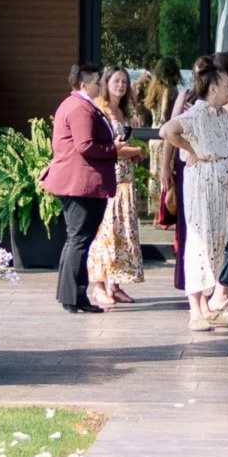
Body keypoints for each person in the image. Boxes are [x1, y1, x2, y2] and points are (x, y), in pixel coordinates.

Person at [39, 67, 121, 316]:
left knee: (76, 239)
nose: (100, 86)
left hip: (78, 182)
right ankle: (74, 297)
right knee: (79, 240)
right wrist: (113, 148)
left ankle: (70, 295)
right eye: (97, 82)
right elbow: (85, 145)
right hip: (81, 184)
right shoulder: (79, 107)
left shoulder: (78, 105)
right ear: (84, 85)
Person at [166, 64, 228, 329]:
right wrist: (191, 149)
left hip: (221, 181)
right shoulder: (196, 112)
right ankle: (195, 309)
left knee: (219, 240)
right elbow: (167, 131)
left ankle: (210, 304)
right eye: (226, 86)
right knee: (199, 240)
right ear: (212, 88)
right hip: (202, 182)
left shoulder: (222, 114)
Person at [86, 65, 145, 308]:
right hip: (109, 180)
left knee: (121, 233)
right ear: (106, 83)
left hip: (126, 179)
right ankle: (98, 285)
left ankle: (115, 284)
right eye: (116, 81)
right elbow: (110, 148)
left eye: (124, 81)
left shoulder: (122, 111)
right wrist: (135, 151)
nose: (120, 85)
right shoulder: (101, 110)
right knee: (105, 233)